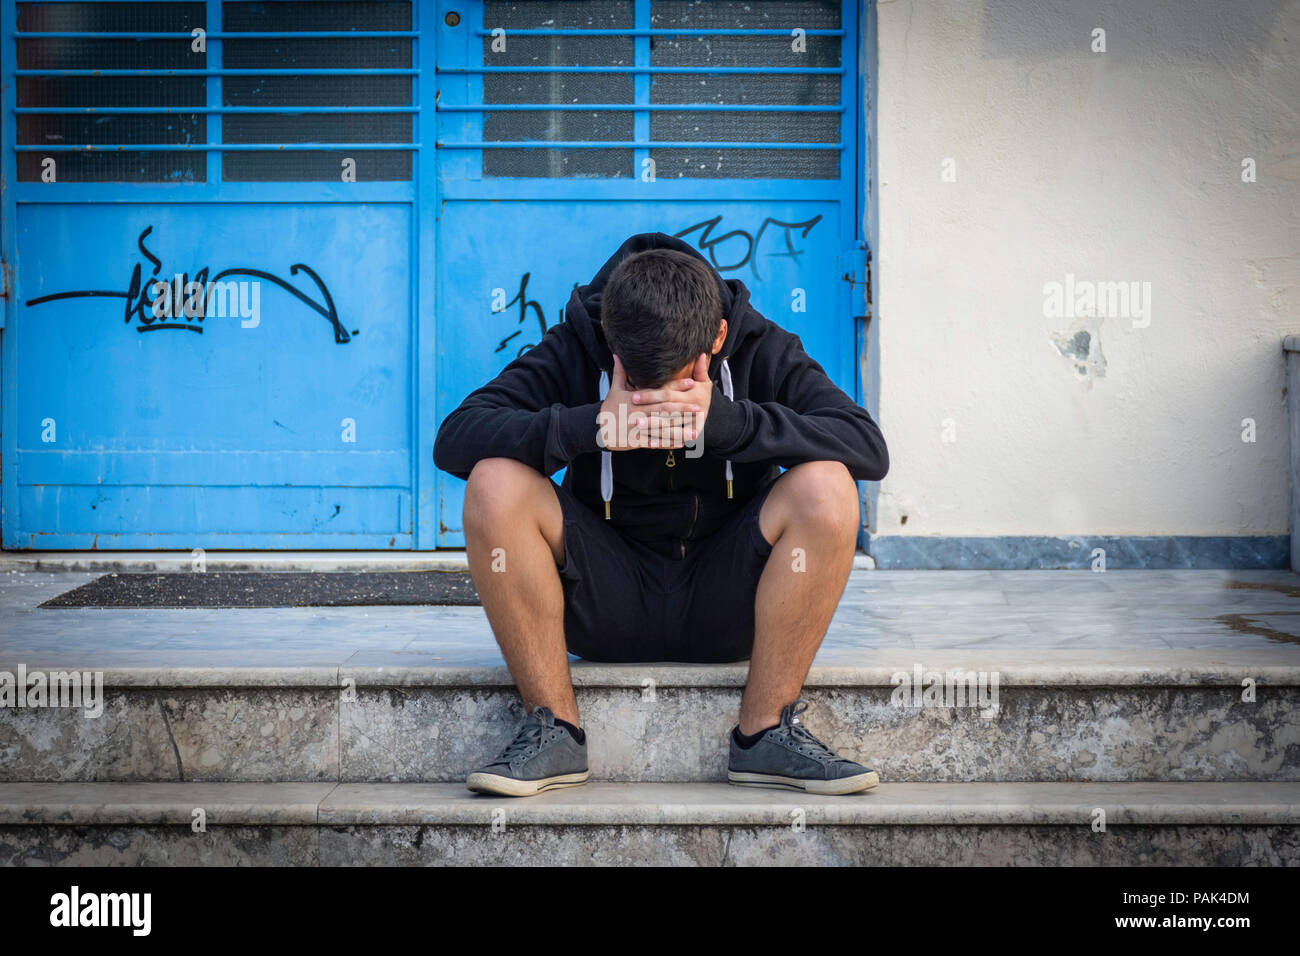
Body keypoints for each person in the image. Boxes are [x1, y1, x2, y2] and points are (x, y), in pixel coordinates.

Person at [433, 232, 889, 797]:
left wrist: (732, 424)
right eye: (644, 386)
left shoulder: (760, 344)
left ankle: (766, 733)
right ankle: (553, 730)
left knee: (829, 486)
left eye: (680, 382)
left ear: (718, 337)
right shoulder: (580, 341)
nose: (662, 403)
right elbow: (454, 438)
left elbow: (868, 447)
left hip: (729, 598)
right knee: (492, 481)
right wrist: (588, 425)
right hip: (607, 599)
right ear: (611, 343)